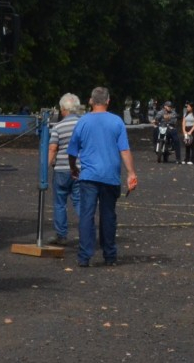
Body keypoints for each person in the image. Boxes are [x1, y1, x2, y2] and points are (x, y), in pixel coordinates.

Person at [69, 86, 137, 267]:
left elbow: (72, 150)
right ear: (108, 101)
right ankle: (109, 255)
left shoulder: (82, 122)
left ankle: (84, 256)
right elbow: (124, 150)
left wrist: (73, 168)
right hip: (110, 176)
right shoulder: (117, 122)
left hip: (89, 176)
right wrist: (131, 173)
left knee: (86, 215)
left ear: (91, 101)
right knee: (108, 216)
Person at [47, 93, 83, 247]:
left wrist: (45, 167)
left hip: (62, 169)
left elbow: (53, 148)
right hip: (81, 169)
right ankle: (86, 232)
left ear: (63, 109)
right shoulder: (83, 124)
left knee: (60, 203)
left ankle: (61, 235)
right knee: (80, 201)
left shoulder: (58, 127)